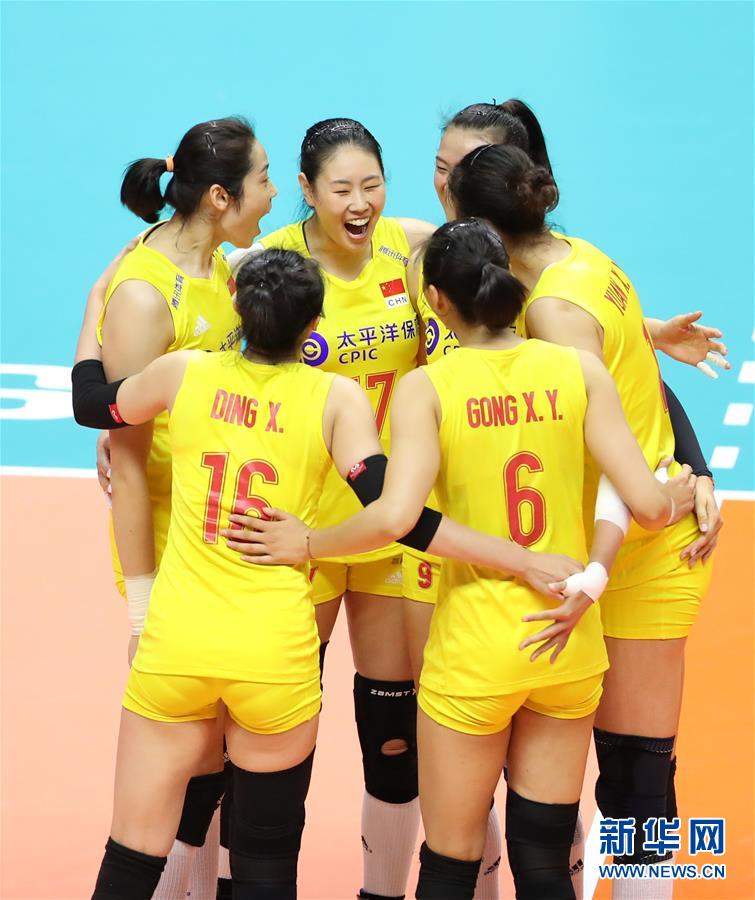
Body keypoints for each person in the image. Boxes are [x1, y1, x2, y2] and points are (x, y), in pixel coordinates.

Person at [75, 246, 593, 899]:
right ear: (315, 327)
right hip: (274, 654)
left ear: (237, 305)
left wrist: (95, 308)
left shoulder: (181, 373)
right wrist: (516, 555)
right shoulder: (335, 398)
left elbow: (93, 404)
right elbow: (395, 515)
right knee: (265, 863)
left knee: (129, 856)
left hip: (177, 645)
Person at [226, 220, 696, 900]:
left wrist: (307, 543)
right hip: (566, 639)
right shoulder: (578, 370)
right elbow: (645, 504)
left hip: (476, 646)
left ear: (437, 302)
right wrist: (683, 491)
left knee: (450, 861)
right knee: (545, 858)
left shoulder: (429, 386)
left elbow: (396, 518)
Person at [404, 98, 727, 899]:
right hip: (592, 538)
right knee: (586, 778)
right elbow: (628, 377)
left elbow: (615, 441)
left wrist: (665, 498)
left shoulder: (548, 313)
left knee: (634, 771)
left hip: (630, 547)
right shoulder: (579, 258)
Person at [230, 118, 436, 900]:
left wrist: (645, 330)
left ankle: (381, 891)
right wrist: (120, 426)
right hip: (295, 531)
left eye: (371, 185)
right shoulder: (266, 263)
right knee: (276, 733)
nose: (360, 204)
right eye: (341, 189)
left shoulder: (410, 249)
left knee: (392, 735)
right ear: (306, 191)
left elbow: (518, 273)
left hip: (385, 525)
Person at [78, 115, 277, 898]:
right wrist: (142, 606)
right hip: (168, 545)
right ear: (221, 195)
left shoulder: (220, 263)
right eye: (263, 179)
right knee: (178, 755)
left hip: (218, 530)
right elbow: (127, 465)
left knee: (218, 747)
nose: (273, 192)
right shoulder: (145, 296)